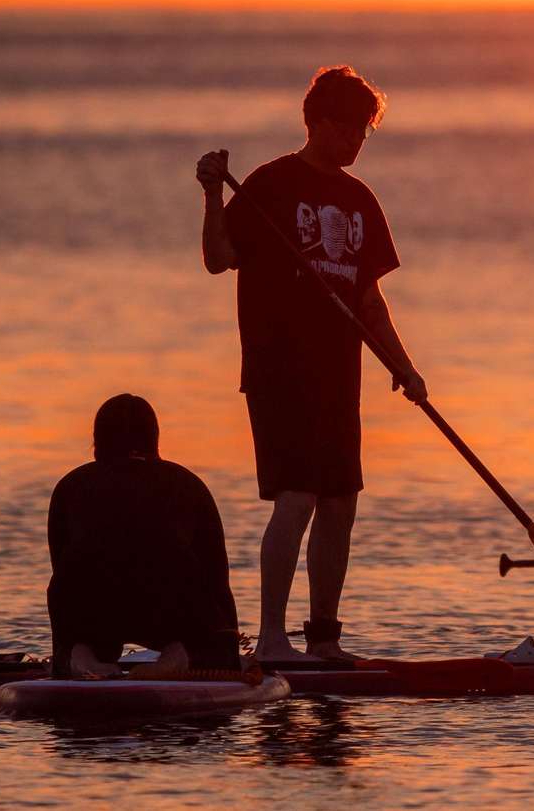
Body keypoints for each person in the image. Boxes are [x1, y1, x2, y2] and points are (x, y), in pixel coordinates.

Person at [196, 66, 426, 663]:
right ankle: (272, 640)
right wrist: (213, 195)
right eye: (348, 129)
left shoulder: (360, 199)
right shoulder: (270, 185)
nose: (355, 142)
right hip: (279, 371)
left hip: (338, 376)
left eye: (363, 133)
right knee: (296, 498)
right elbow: (219, 258)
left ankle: (323, 639)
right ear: (318, 123)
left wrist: (403, 366)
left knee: (340, 503)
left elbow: (369, 300)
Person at [48, 394, 240, 678]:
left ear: (97, 442)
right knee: (205, 638)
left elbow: (62, 571)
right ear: (155, 440)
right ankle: (181, 655)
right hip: (168, 605)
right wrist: (226, 647)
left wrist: (62, 650)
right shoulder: (187, 484)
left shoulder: (69, 486)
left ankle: (80, 657)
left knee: (77, 601)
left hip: (93, 608)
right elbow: (217, 580)